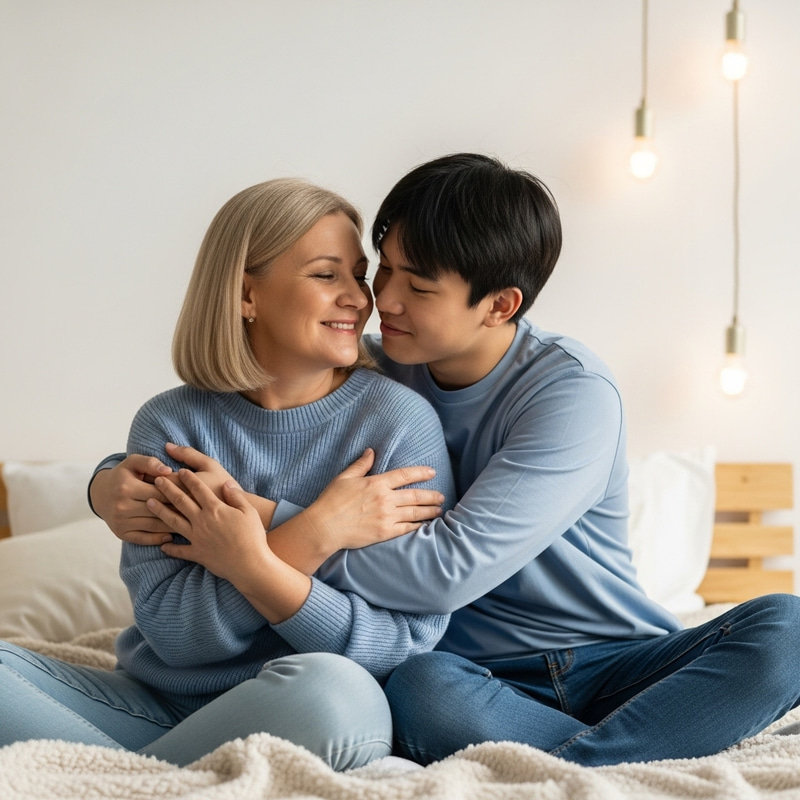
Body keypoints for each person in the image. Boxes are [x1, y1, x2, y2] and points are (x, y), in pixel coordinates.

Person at [90, 154, 800, 768]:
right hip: (468, 677)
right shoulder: (380, 368)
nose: (380, 302)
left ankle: (587, 767)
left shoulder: (571, 394)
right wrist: (107, 483)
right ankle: (623, 758)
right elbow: (261, 397)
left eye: (418, 287)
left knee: (787, 627)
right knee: (415, 687)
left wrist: (273, 520)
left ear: (499, 305)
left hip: (611, 660)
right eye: (386, 272)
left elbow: (446, 569)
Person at [0, 178, 457, 771]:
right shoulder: (171, 424)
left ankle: (113, 776)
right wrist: (310, 535)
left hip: (306, 704)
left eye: (359, 275)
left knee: (338, 693)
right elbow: (175, 637)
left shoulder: (400, 423)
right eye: (326, 274)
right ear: (246, 295)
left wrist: (250, 560)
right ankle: (149, 777)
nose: (359, 298)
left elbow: (402, 644)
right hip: (154, 706)